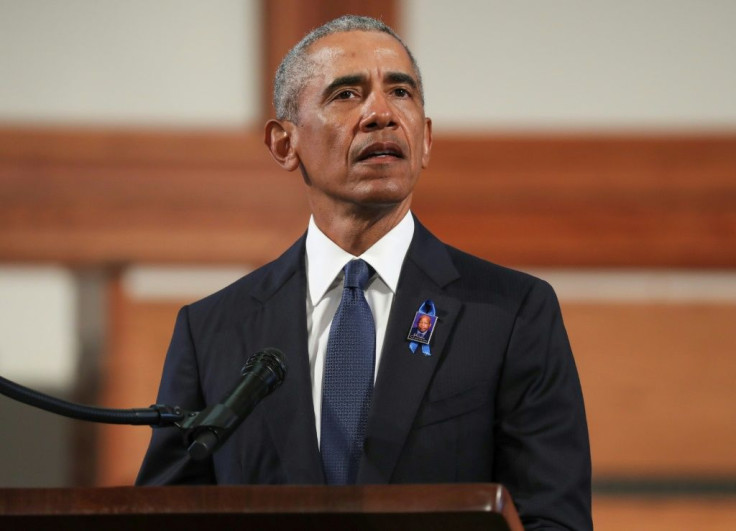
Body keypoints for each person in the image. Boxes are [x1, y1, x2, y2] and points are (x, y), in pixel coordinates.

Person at [137, 15, 592, 530]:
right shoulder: (212, 330)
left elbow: (555, 520)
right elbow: (163, 515)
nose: (381, 114)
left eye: (401, 91)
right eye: (346, 95)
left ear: (426, 138)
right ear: (284, 144)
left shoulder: (512, 314)